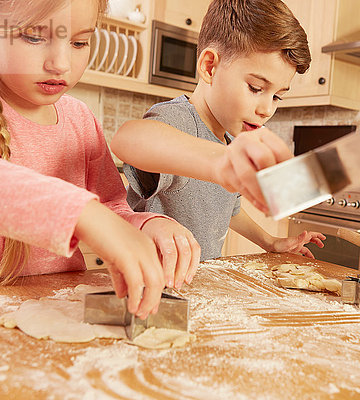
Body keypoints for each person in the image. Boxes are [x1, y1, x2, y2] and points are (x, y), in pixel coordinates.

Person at [0, 0, 206, 319]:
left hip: (58, 314)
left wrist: (145, 225)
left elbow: (112, 208)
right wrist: (78, 212)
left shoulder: (79, 118)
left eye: (79, 42)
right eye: (34, 36)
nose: (61, 64)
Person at [111, 0, 325, 265]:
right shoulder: (178, 120)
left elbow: (228, 211)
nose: (267, 109)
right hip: (152, 284)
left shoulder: (231, 138)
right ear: (210, 67)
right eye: (256, 88)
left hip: (199, 283)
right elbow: (128, 139)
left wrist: (270, 241)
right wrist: (222, 160)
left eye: (277, 97)